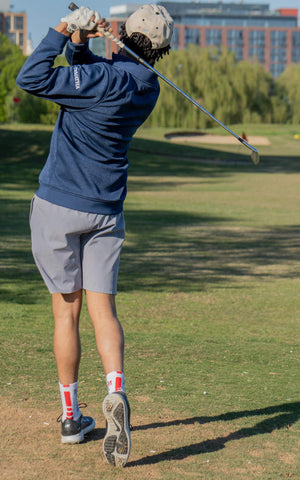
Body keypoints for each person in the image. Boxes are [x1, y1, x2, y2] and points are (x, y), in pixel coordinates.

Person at [16, 4, 174, 468]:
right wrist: (84, 45)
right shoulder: (148, 87)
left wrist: (65, 30)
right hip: (106, 212)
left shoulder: (103, 81)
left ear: (124, 33)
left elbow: (32, 77)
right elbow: (100, 80)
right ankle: (116, 390)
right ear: (161, 49)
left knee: (67, 313)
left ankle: (70, 418)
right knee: (103, 310)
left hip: (59, 206)